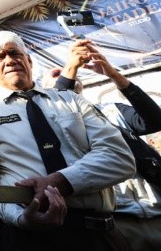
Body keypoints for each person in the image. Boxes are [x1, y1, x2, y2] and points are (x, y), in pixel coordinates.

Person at [0, 30, 136, 250]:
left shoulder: (70, 100)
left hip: (98, 235)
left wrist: (60, 180)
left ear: (29, 60)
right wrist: (20, 218)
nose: (9, 61)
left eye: (15, 53)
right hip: (32, 239)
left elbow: (120, 157)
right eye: (0, 57)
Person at [53, 39, 161, 251]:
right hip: (116, 224)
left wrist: (113, 74)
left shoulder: (111, 110)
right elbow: (57, 102)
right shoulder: (50, 124)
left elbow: (155, 120)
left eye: (72, 72)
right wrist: (70, 67)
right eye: (58, 75)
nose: (70, 73)